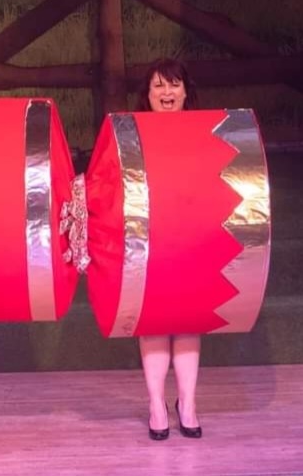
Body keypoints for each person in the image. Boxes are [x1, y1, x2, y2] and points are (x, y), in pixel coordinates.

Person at [134, 57, 203, 441]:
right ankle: (157, 404)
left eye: (174, 84)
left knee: (189, 322)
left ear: (186, 91)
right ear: (147, 95)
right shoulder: (133, 136)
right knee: (155, 323)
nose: (166, 92)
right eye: (158, 86)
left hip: (192, 240)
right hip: (150, 241)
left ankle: (188, 404)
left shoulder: (204, 132)